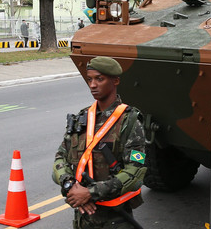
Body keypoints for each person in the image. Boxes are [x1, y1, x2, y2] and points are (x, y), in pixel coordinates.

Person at [52, 56, 147, 229]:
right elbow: (60, 158)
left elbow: (135, 171)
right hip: (83, 218)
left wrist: (90, 193)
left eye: (99, 79)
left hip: (115, 219)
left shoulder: (129, 121)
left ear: (115, 80)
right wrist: (70, 186)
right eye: (90, 79)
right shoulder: (81, 119)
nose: (93, 85)